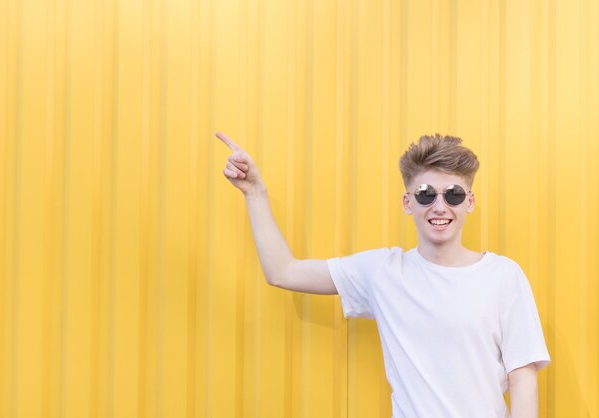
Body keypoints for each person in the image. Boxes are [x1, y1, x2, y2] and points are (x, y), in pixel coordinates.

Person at [216, 131, 551, 418]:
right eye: (425, 194)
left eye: (453, 194)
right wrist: (255, 193)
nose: (439, 206)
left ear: (469, 202)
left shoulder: (503, 276)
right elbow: (283, 272)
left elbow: (522, 376)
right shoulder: (384, 273)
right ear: (408, 203)